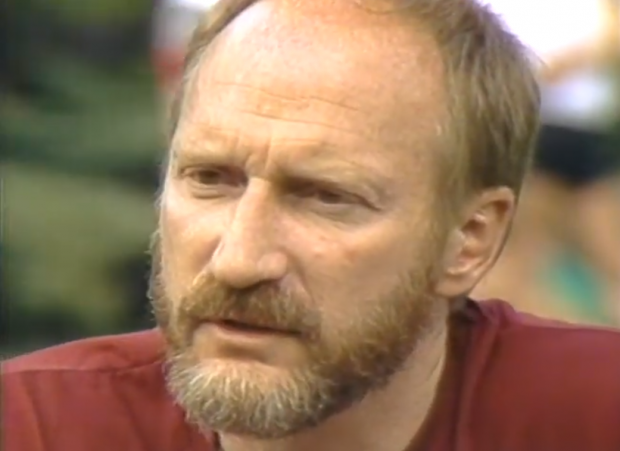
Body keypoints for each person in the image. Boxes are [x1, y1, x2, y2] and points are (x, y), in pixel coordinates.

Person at [4, 1, 620, 450]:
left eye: (326, 197)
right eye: (209, 179)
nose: (238, 260)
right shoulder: (38, 425)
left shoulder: (592, 413)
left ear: (470, 239)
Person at [474, 0, 620, 325]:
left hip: (584, 132)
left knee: (608, 255)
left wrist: (577, 58)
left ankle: (593, 349)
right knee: (528, 253)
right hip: (536, 128)